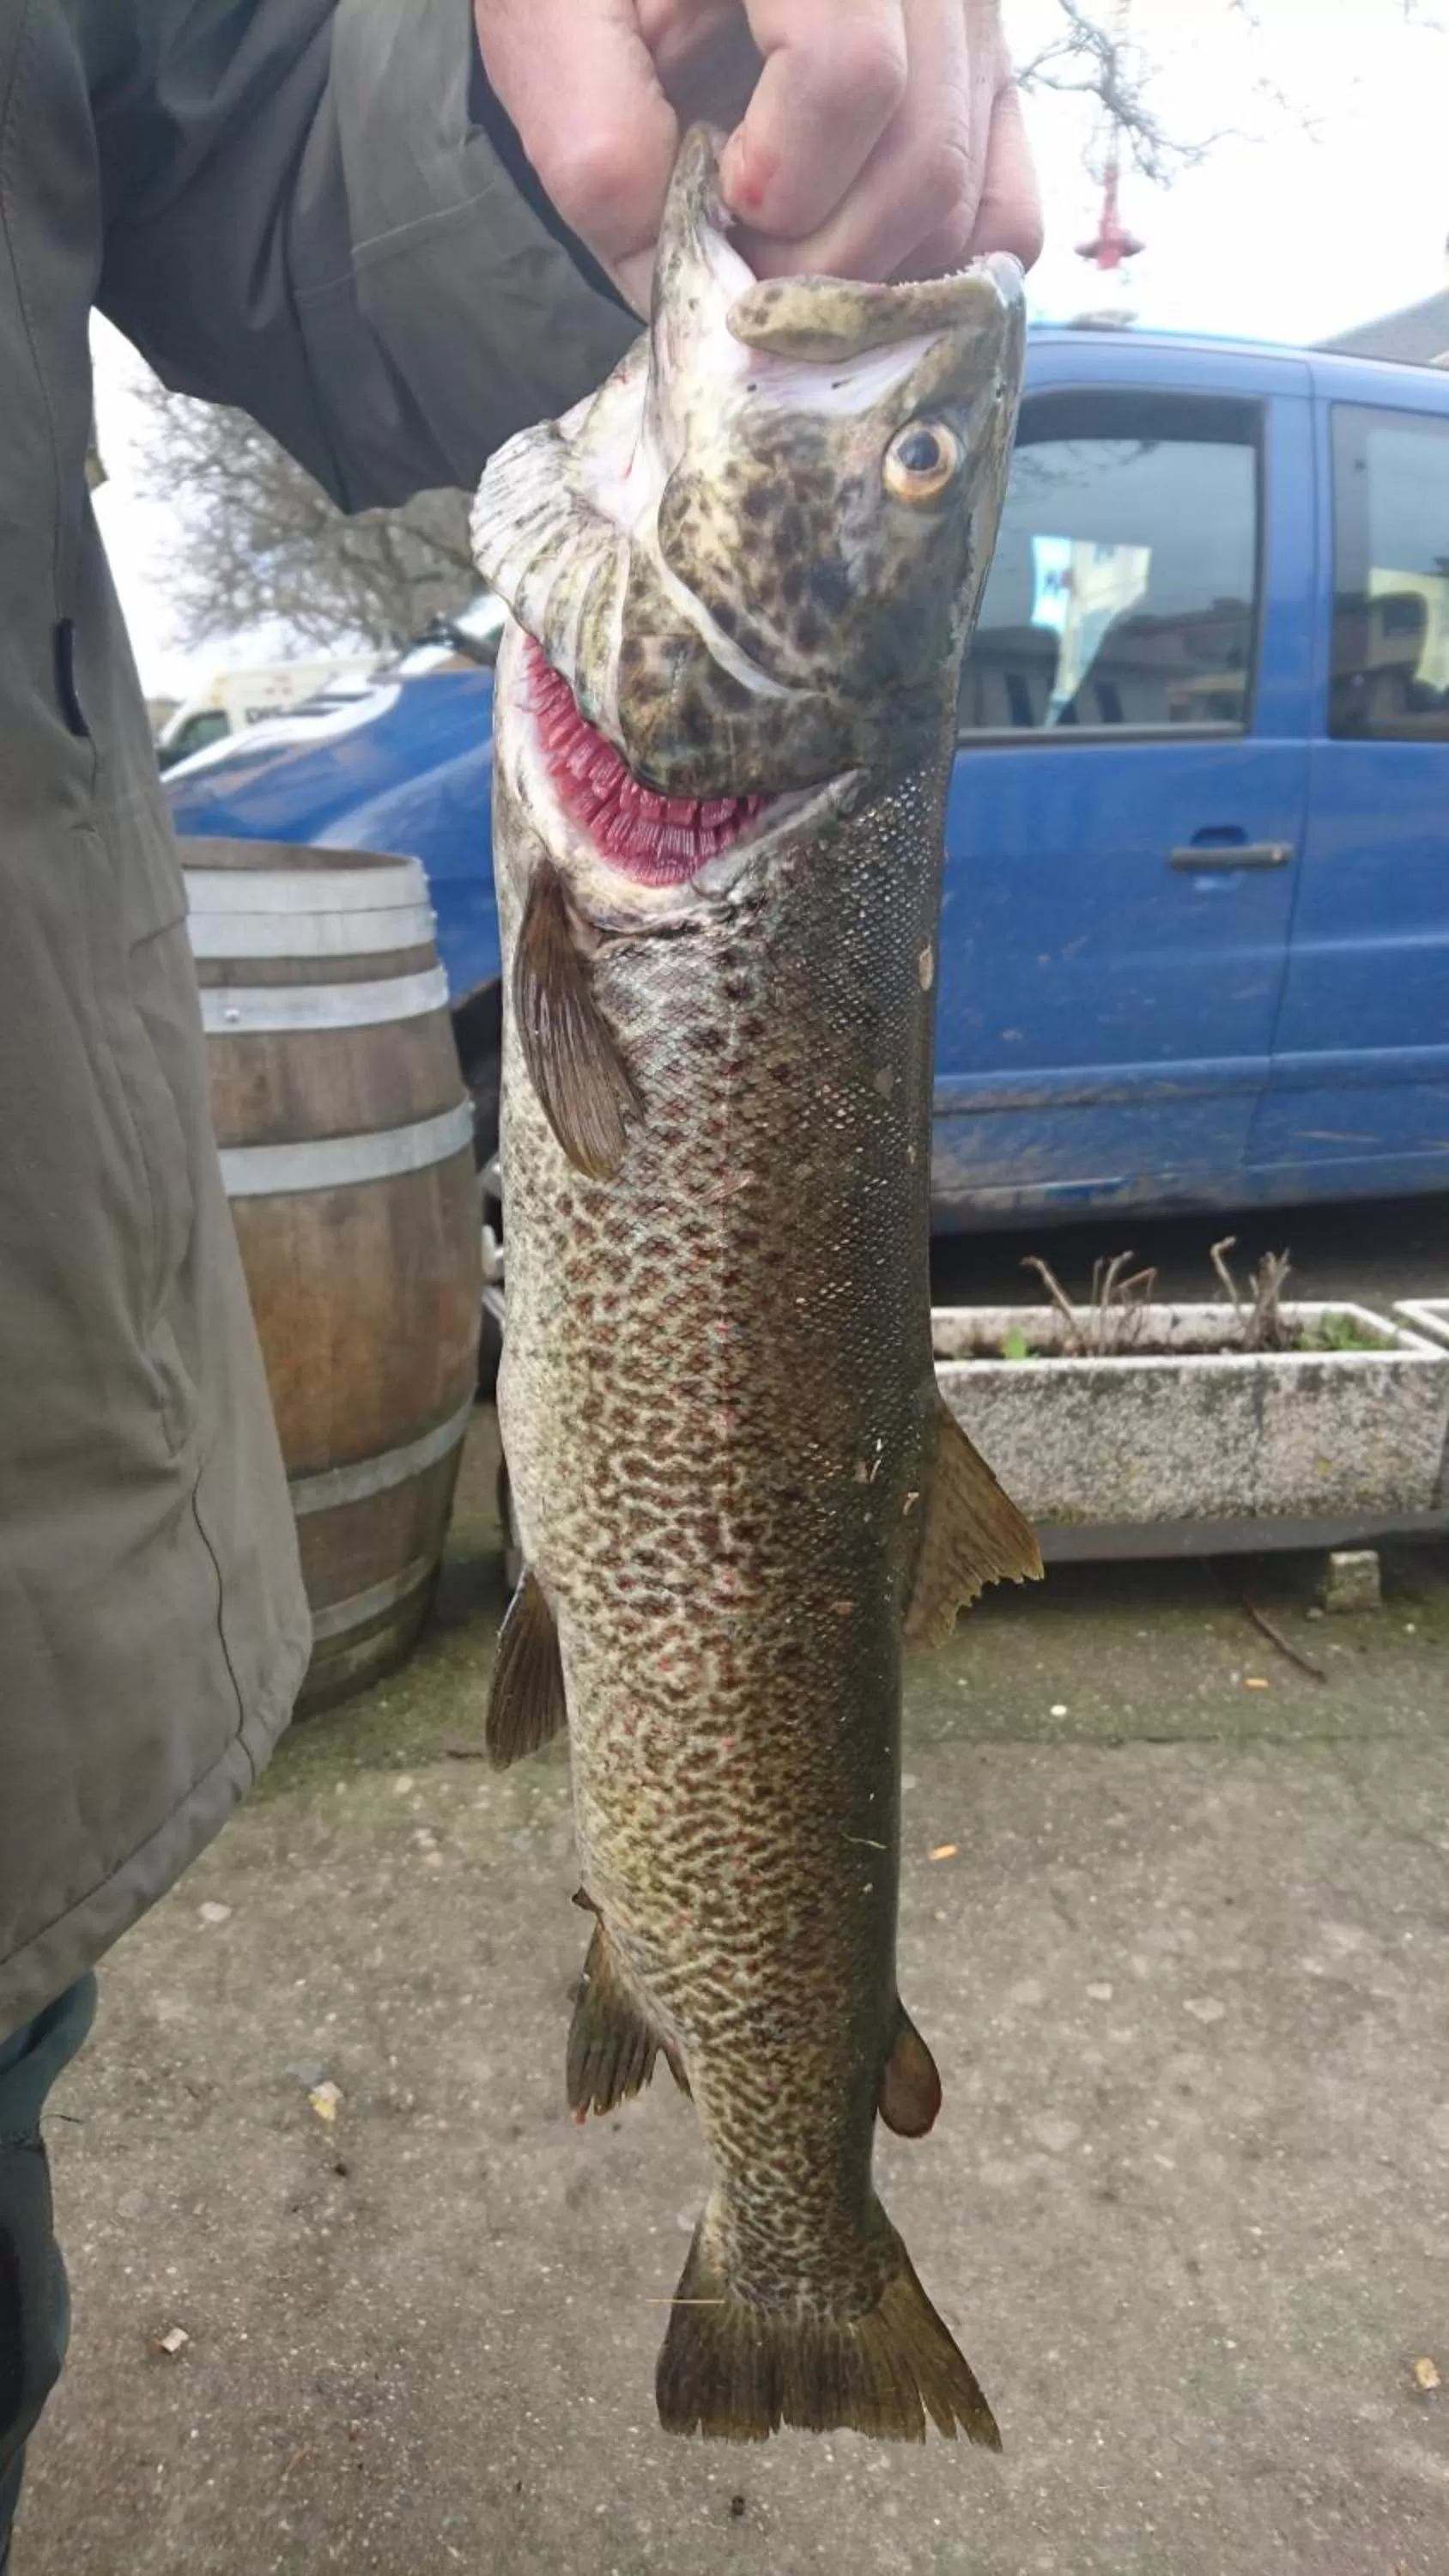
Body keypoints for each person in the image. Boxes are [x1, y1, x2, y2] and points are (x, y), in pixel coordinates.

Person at [0, 1, 1040, 2555]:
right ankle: (789, 2218)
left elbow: (233, 115)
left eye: (910, 465)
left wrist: (531, 97)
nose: (885, 432)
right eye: (913, 459)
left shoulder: (695, 813)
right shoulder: (678, 804)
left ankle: (781, 2211)